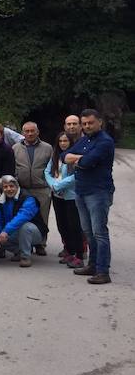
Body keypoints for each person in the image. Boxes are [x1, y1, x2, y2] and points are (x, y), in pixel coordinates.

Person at [63, 109, 115, 285]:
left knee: (99, 232)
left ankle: (103, 271)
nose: (86, 126)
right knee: (88, 232)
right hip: (81, 191)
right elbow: (64, 156)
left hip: (99, 192)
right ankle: (92, 266)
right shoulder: (85, 139)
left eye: (90, 123)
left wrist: (78, 159)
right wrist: (80, 158)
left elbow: (86, 162)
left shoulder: (105, 142)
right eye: (84, 123)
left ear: (100, 122)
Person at [0, 175, 47, 267]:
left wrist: (5, 231)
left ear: (17, 186)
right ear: (2, 188)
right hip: (13, 231)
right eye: (5, 187)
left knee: (25, 227)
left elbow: (22, 216)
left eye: (11, 186)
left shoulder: (28, 198)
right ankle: (20, 251)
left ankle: (25, 257)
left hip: (35, 233)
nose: (9, 189)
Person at [45, 133, 85, 268]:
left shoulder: (74, 156)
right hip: (57, 196)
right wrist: (53, 185)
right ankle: (70, 251)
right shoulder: (55, 156)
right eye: (60, 141)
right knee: (62, 226)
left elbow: (77, 176)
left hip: (71, 196)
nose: (63, 143)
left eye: (66, 140)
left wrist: (59, 185)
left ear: (71, 142)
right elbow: (47, 172)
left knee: (74, 226)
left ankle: (79, 255)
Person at [12, 122, 52, 250]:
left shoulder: (47, 148)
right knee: (23, 217)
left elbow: (53, 168)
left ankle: (41, 244)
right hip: (22, 189)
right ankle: (24, 244)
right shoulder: (15, 148)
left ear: (37, 132)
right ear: (22, 133)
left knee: (42, 217)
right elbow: (13, 167)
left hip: (41, 188)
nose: (29, 133)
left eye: (32, 131)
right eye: (27, 131)